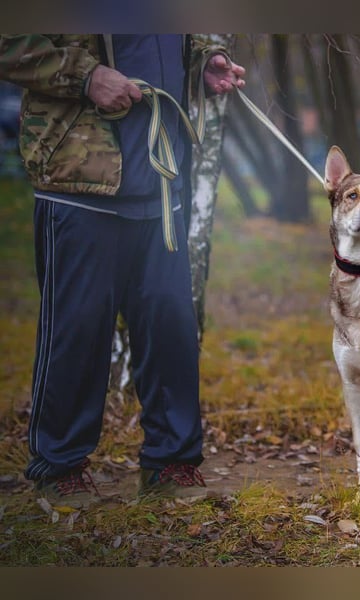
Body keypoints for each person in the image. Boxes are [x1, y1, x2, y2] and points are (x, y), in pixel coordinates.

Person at [0, 35, 246, 507]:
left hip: (161, 184)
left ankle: (171, 464)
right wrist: (87, 76)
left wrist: (202, 64)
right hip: (77, 183)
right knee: (78, 330)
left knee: (170, 324)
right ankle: (60, 468)